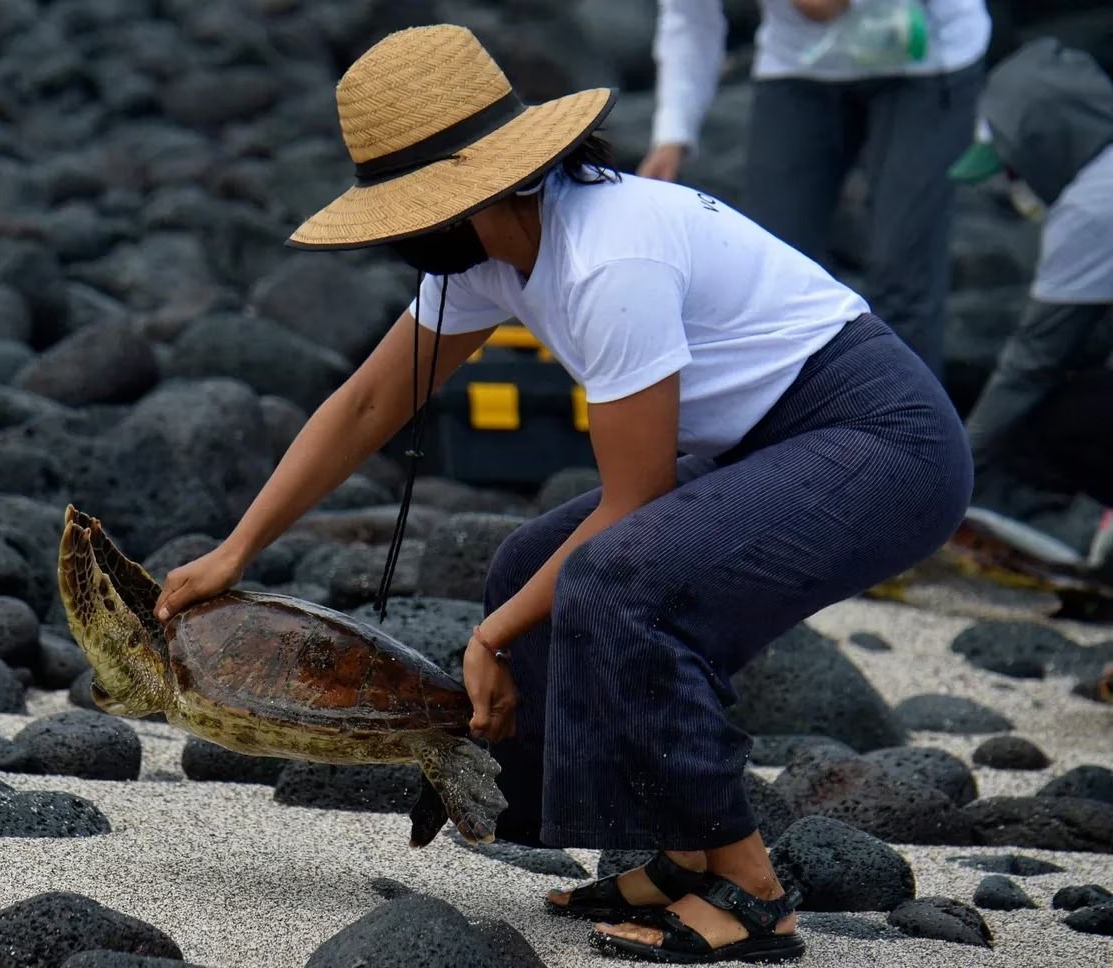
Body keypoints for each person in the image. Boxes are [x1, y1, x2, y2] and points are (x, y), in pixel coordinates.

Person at [153, 24, 973, 964]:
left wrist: (490, 637)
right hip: (776, 439)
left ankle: (751, 889)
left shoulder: (606, 262)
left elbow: (634, 506)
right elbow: (372, 399)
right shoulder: (497, 248)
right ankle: (677, 854)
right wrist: (238, 548)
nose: (406, 240)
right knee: (523, 565)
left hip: (883, 443)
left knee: (619, 584)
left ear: (477, 192)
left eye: (413, 214)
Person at [641, 0, 990, 382]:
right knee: (769, 274)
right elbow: (690, 18)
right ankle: (795, 431)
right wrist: (672, 134)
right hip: (797, 64)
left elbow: (822, 5)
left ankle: (910, 432)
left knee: (904, 276)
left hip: (928, 56)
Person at [948, 37, 1113, 567]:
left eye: (1014, 169)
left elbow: (1030, 364)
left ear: (1048, 143)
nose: (1013, 185)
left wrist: (948, 479)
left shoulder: (1091, 208)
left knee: (1052, 415)